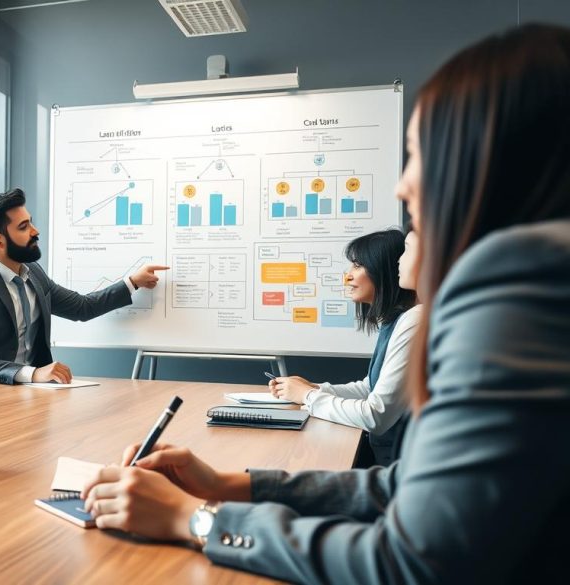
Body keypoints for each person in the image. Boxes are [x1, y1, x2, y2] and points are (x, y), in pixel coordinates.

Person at [81, 24, 570, 583]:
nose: (402, 189)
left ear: (486, 163)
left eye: (416, 155)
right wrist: (227, 485)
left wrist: (195, 520)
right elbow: (404, 486)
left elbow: (407, 562)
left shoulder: (517, 298)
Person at [0, 188, 168, 386]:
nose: (35, 231)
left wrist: (132, 282)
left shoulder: (33, 273)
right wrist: (31, 374)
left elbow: (81, 308)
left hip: (33, 393)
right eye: (24, 227)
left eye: (30, 222)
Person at [269, 228, 419, 466]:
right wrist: (315, 388)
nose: (347, 277)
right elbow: (370, 387)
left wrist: (307, 395)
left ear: (385, 270)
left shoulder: (414, 320)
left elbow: (375, 415)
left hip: (399, 466)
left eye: (358, 266)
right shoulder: (396, 320)